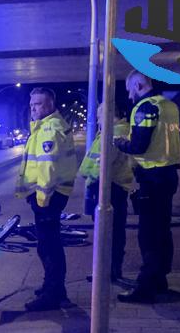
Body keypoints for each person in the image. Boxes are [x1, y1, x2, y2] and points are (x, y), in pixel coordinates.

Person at [114, 70, 180, 303]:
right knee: (162, 231)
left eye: (130, 89)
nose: (129, 95)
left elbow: (139, 145)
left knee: (148, 234)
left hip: (152, 177)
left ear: (139, 85)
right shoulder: (168, 105)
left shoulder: (146, 107)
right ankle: (160, 279)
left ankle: (146, 287)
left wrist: (119, 142)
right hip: (168, 174)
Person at [15, 87, 77, 311]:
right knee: (48, 245)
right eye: (31, 104)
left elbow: (48, 170)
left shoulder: (49, 130)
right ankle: (54, 288)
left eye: (38, 104)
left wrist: (41, 199)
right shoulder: (44, 126)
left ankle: (53, 295)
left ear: (50, 105)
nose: (33, 108)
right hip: (50, 196)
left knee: (48, 247)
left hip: (48, 198)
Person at [79, 104, 133, 282]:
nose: (97, 119)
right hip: (108, 187)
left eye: (99, 115)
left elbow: (104, 163)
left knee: (109, 233)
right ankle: (107, 271)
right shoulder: (110, 132)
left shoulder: (114, 134)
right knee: (109, 232)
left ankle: (108, 272)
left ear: (109, 114)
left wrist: (90, 176)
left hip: (110, 188)